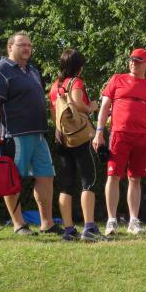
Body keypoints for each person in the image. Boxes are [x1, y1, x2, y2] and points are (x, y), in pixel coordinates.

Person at [0, 31, 59, 236]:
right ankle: (19, 224)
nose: (27, 48)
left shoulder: (32, 70)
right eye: (22, 45)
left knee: (46, 176)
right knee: (12, 179)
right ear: (10, 47)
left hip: (39, 134)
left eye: (29, 45)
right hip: (15, 134)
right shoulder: (0, 69)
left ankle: (47, 223)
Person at [93, 48, 146, 236]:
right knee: (113, 175)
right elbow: (104, 108)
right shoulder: (117, 79)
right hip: (119, 134)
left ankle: (133, 221)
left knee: (135, 178)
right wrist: (99, 132)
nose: (133, 63)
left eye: (138, 61)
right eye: (131, 60)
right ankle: (111, 220)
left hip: (142, 137)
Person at [48, 48, 103, 241]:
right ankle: (89, 227)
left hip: (62, 138)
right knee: (88, 181)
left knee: (66, 185)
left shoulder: (55, 86)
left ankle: (69, 229)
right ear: (79, 67)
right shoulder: (76, 82)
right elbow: (78, 103)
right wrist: (91, 107)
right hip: (80, 138)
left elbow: (54, 114)